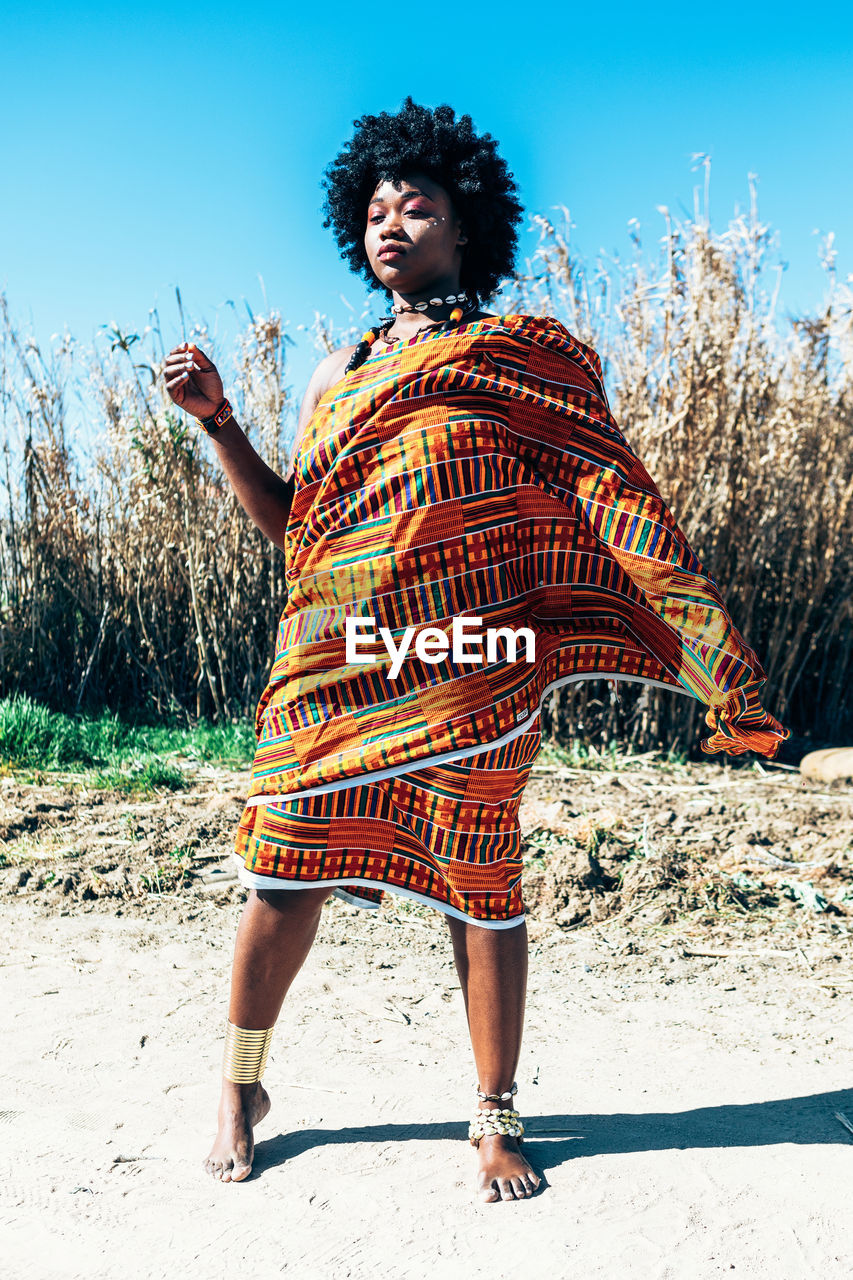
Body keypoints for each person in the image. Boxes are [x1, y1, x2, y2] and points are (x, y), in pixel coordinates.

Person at [163, 97, 788, 1202]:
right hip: (338, 658)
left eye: (417, 205)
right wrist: (220, 422)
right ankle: (240, 1083)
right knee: (283, 869)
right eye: (373, 210)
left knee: (479, 878)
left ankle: (494, 1116)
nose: (390, 224)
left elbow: (610, 493)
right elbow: (297, 530)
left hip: (474, 663)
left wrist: (699, 639)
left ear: (466, 227)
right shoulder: (335, 373)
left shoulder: (524, 357)